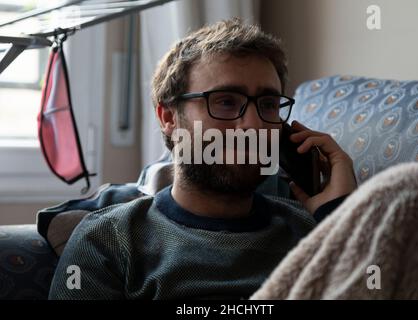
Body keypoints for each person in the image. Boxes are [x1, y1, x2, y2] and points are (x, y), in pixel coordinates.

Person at [49, 18, 357, 300]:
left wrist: (340, 215)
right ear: (169, 117)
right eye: (224, 101)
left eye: (268, 104)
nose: (253, 125)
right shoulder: (108, 241)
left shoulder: (317, 230)